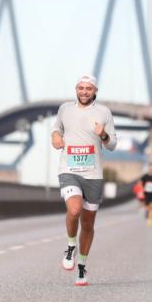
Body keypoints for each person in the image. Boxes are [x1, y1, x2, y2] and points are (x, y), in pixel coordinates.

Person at [51, 75, 117, 286]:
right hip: (69, 170)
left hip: (93, 174)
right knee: (74, 210)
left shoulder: (104, 112)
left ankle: (81, 267)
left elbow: (112, 144)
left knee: (88, 225)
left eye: (89, 88)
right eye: (81, 88)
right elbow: (56, 128)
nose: (84, 91)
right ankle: (71, 246)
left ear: (95, 91)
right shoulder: (65, 109)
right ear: (76, 90)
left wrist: (103, 134)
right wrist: (55, 137)